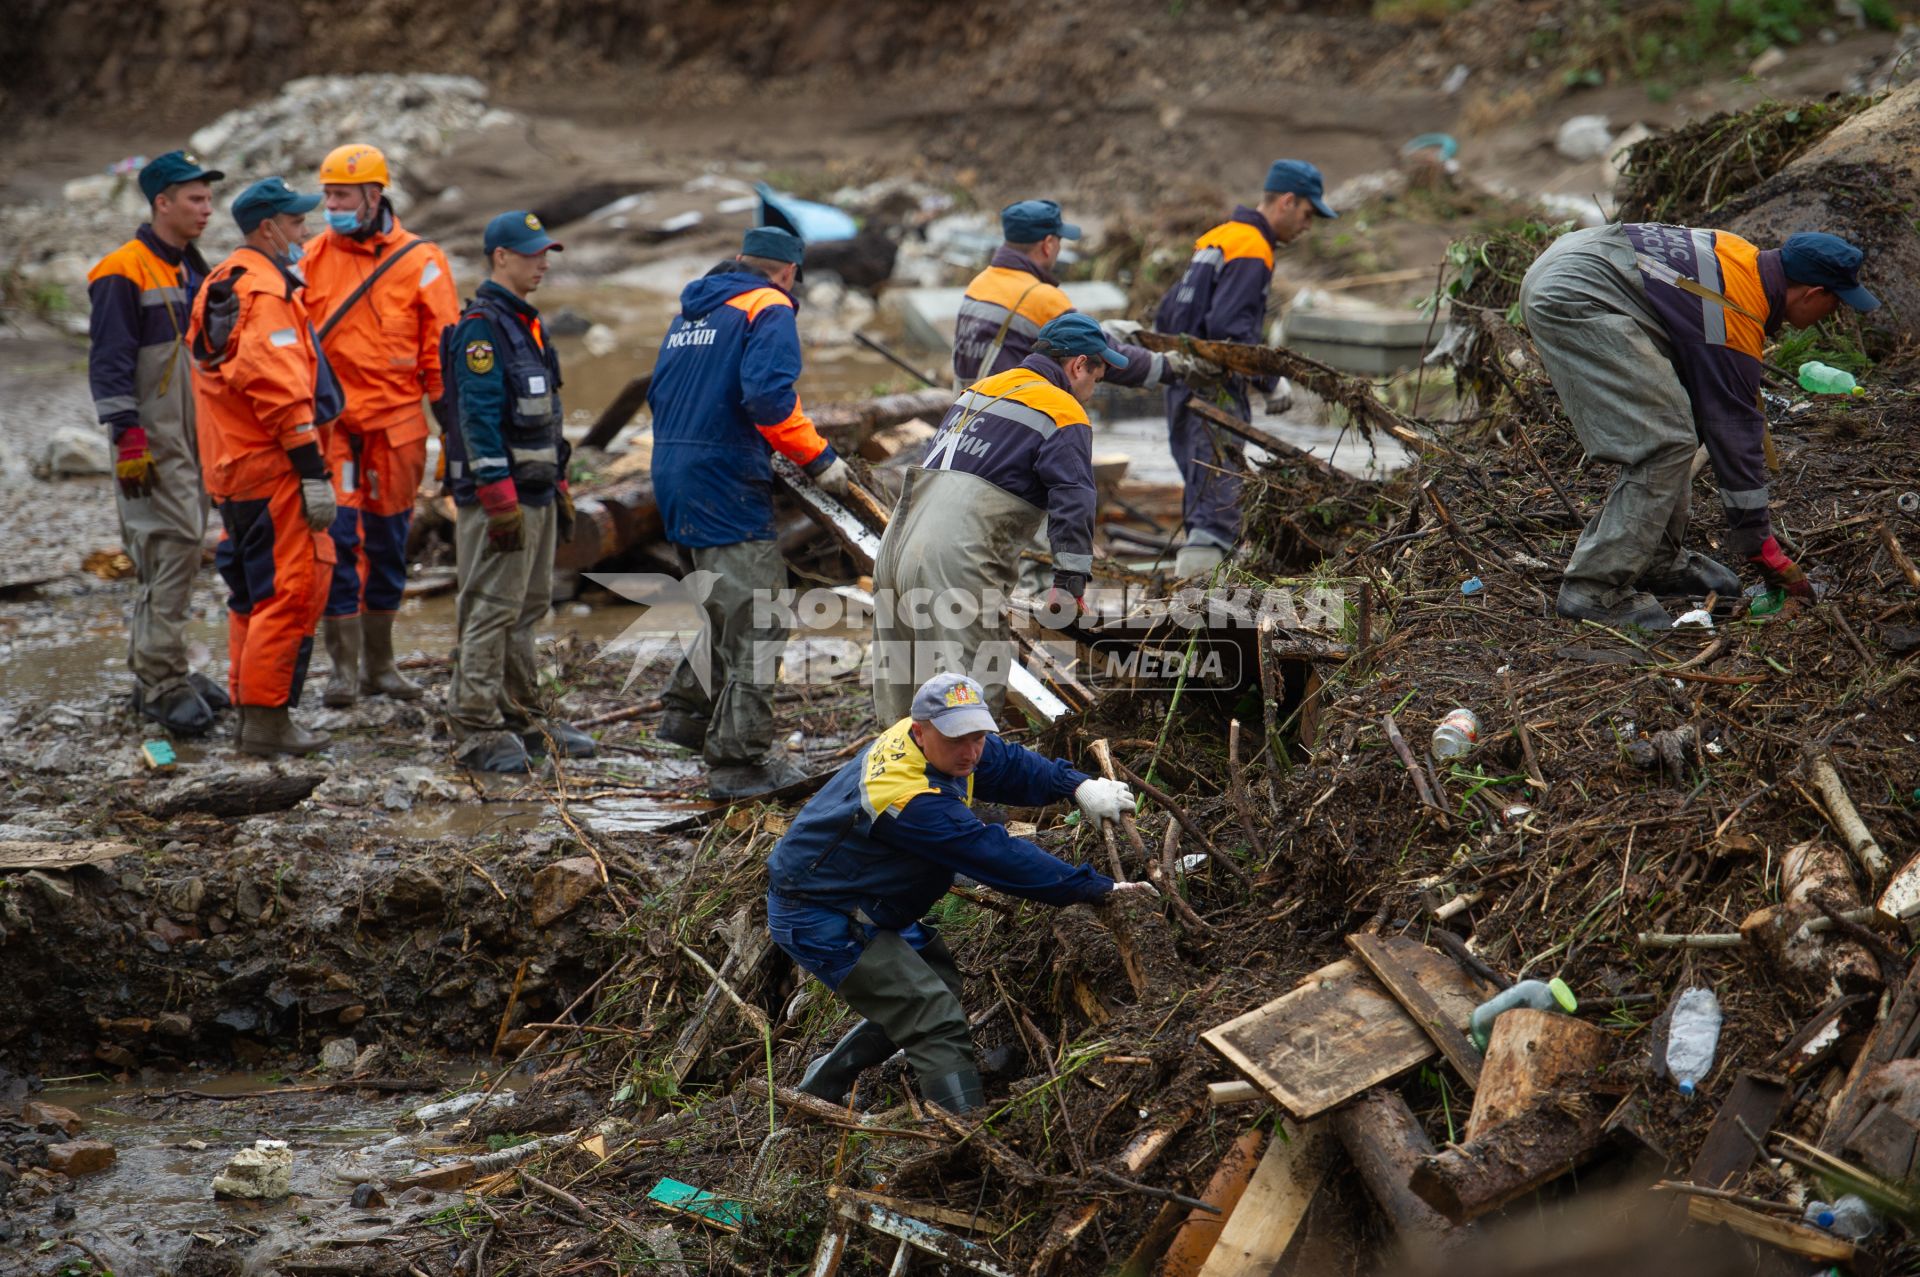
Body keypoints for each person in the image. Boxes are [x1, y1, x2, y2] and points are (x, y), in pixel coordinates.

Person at [766, 672, 1152, 1112]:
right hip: (820, 912)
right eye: (957, 741)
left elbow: (1005, 762)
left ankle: (819, 1088)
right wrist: (1099, 889)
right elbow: (992, 854)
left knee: (938, 987)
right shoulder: (906, 798)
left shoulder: (938, 742)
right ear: (919, 731)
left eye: (977, 737)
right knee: (934, 1018)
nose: (970, 753)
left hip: (860, 894)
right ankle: (961, 1136)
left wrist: (1076, 785)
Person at [1519, 223, 1879, 629]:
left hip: (1577, 261)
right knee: (1663, 439)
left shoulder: (1741, 255)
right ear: (1814, 294)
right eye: (1836, 304)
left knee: (1676, 421)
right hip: (1575, 295)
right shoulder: (1731, 317)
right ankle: (1594, 587)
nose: (1831, 316)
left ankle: (1657, 558)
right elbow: (1733, 431)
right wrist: (1759, 543)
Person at [647, 226, 851, 800]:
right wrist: (820, 459)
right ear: (787, 272)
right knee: (760, 616)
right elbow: (767, 399)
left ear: (741, 260)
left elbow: (661, 393)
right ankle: (739, 761)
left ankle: (689, 716)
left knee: (724, 606)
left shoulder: (695, 311)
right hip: (723, 480)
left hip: (672, 473)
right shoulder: (769, 307)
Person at [870, 313, 1124, 724]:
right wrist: (1068, 583)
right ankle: (957, 789)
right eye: (1097, 377)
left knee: (903, 700)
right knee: (964, 700)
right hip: (953, 564)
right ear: (1078, 365)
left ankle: (899, 787)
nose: (1093, 392)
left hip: (895, 552)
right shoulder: (1063, 409)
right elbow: (1074, 497)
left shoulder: (980, 391)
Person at [186, 177, 344, 756]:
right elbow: (278, 391)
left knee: (251, 592)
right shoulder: (264, 291)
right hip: (271, 465)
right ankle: (267, 720)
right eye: (298, 223)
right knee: (288, 591)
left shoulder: (220, 282)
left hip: (234, 466)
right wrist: (312, 471)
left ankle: (253, 712)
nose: (307, 232)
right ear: (268, 228)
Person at [300, 143, 459, 708]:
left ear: (375, 195)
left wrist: (457, 440)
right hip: (334, 429)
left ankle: (381, 665)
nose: (331, 205)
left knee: (389, 546)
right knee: (336, 542)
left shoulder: (423, 261)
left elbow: (441, 357)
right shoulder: (311, 257)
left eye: (341, 195)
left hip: (397, 430)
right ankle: (342, 671)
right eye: (327, 195)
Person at [440, 211, 595, 773]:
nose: (543, 263)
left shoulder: (526, 324)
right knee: (490, 607)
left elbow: (543, 419)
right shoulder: (482, 328)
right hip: (500, 498)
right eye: (532, 254)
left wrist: (557, 488)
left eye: (547, 253)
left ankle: (522, 716)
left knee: (526, 607)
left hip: (535, 493)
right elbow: (477, 418)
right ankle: (474, 725)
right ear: (500, 257)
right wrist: (497, 495)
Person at [87, 149, 229, 735]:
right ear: (161, 203)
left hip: (193, 437)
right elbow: (110, 362)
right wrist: (129, 441)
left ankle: (165, 663)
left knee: (183, 546)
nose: (206, 208)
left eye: (208, 197)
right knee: (165, 549)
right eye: (194, 199)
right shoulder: (122, 269)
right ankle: (158, 680)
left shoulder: (190, 268)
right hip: (152, 440)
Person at [1154, 160, 1336, 576]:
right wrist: (1270, 382)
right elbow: (1228, 332)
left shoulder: (1218, 239)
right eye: (1308, 214)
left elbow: (1167, 315)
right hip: (1213, 392)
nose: (1308, 225)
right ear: (1287, 202)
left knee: (1201, 496)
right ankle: (1201, 617)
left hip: (1181, 385)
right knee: (1217, 510)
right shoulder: (1253, 246)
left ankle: (1199, 605)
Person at [953, 198, 1203, 389]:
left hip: (973, 420)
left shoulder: (980, 284)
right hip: (1014, 423)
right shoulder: (1040, 298)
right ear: (1048, 244)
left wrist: (1111, 333)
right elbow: (1097, 354)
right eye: (1060, 242)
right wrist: (1171, 367)